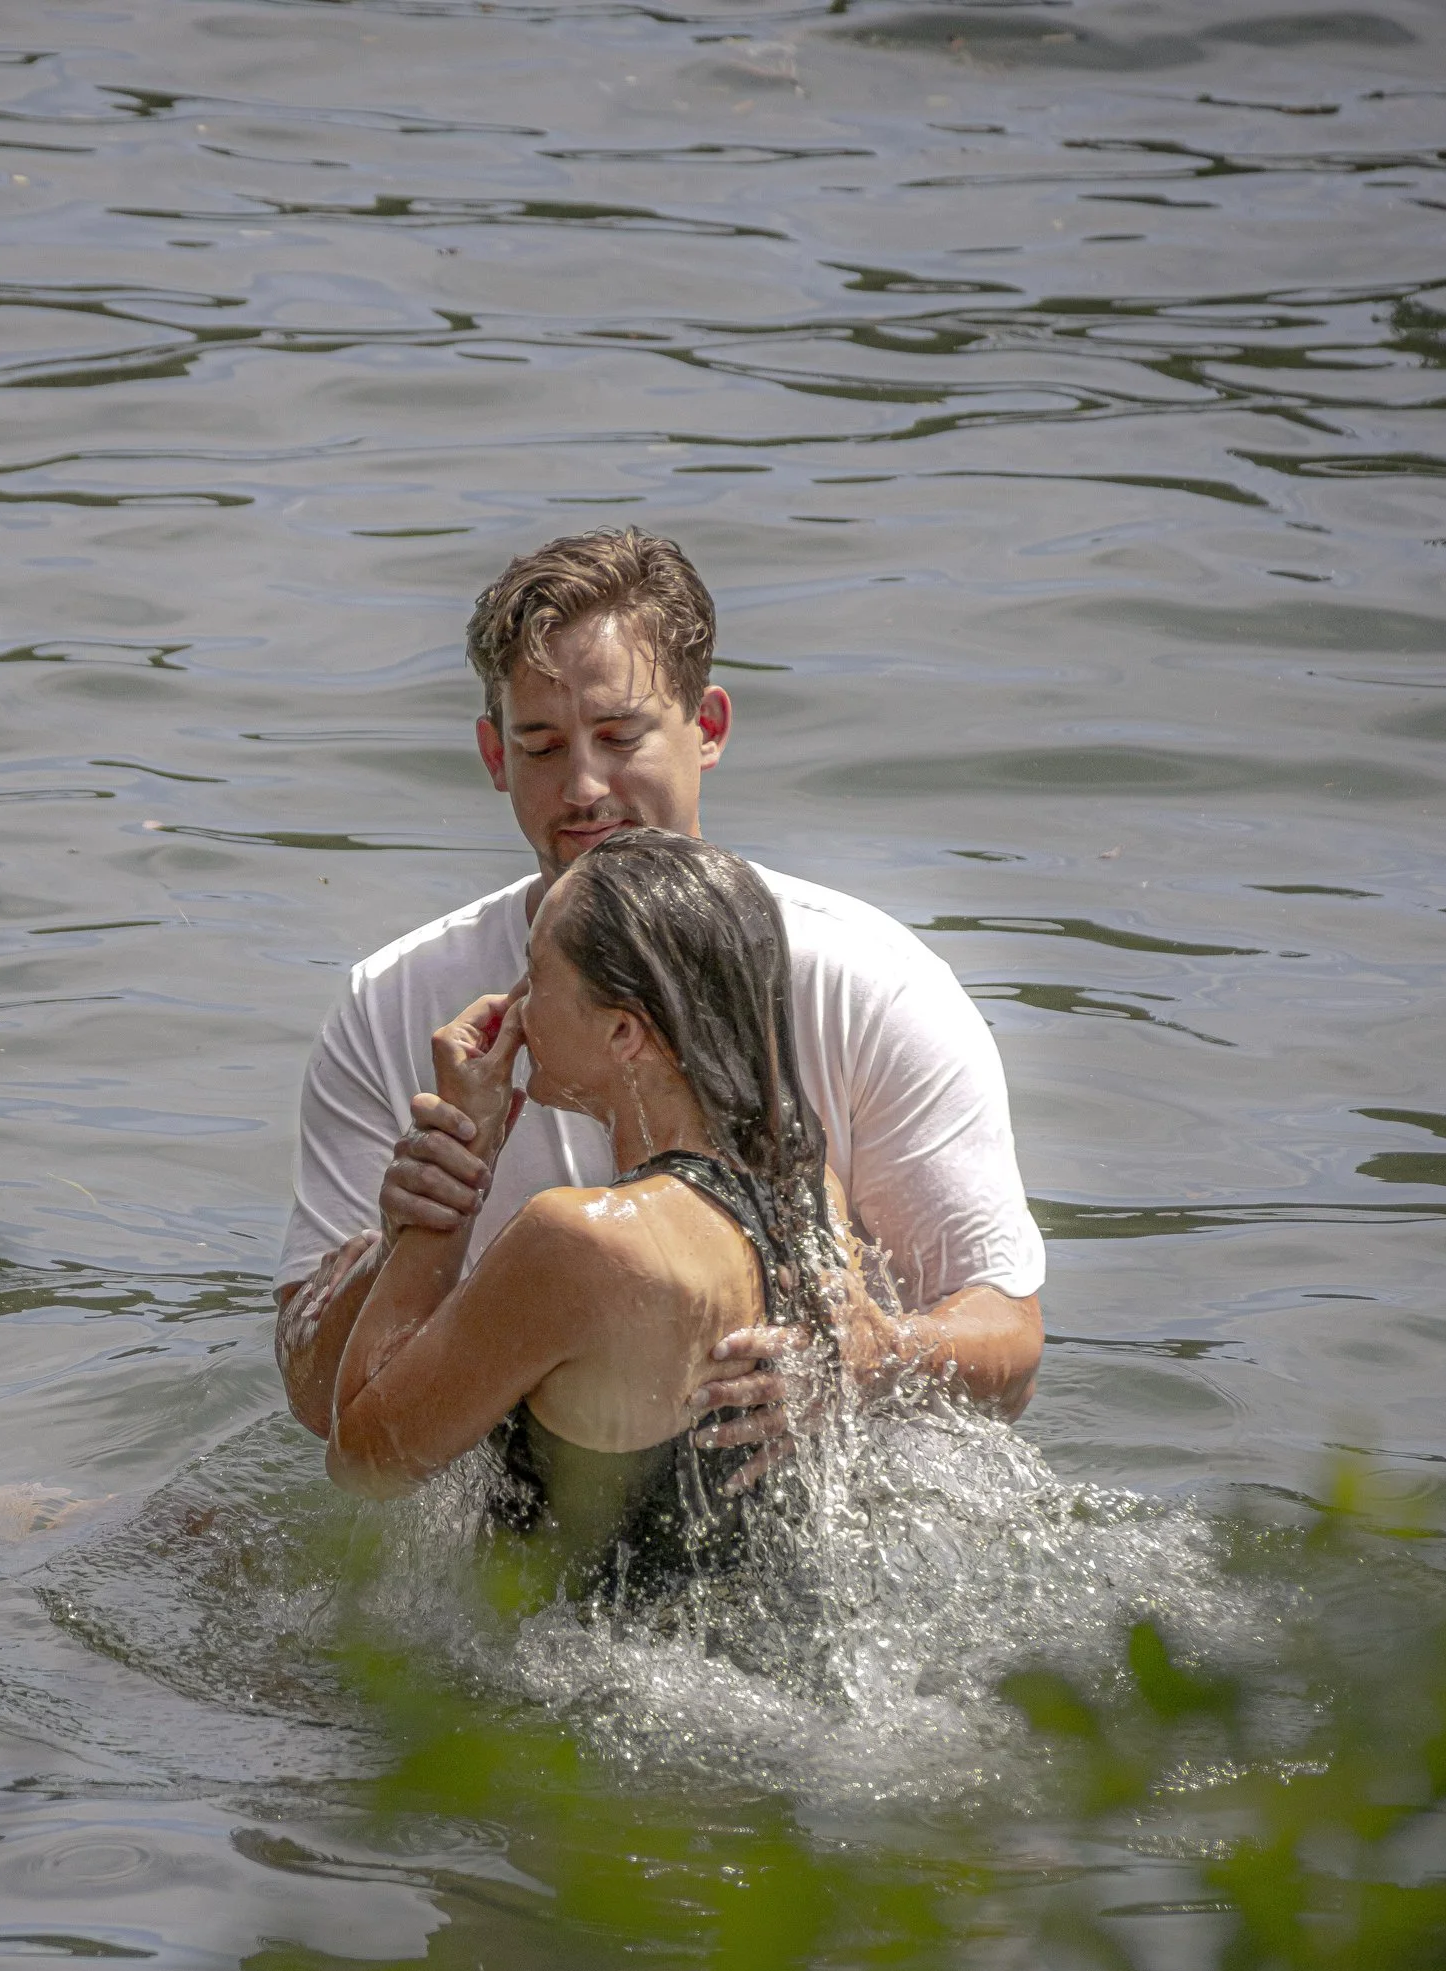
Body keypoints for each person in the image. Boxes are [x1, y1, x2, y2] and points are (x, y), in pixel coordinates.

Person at [276, 529, 1044, 1463]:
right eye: (543, 745)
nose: (584, 787)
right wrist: (413, 1224)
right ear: (493, 755)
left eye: (619, 736)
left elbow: (1011, 1343)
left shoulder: (872, 988)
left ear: (707, 728)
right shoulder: (393, 1003)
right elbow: (315, 1400)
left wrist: (871, 1356)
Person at [330, 827, 852, 1635]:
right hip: (770, 1660)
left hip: (573, 1711)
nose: (514, 1006)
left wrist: (458, 1165)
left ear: (623, 1031)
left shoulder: (585, 1241)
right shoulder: (806, 1189)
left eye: (536, 976)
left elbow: (366, 1458)